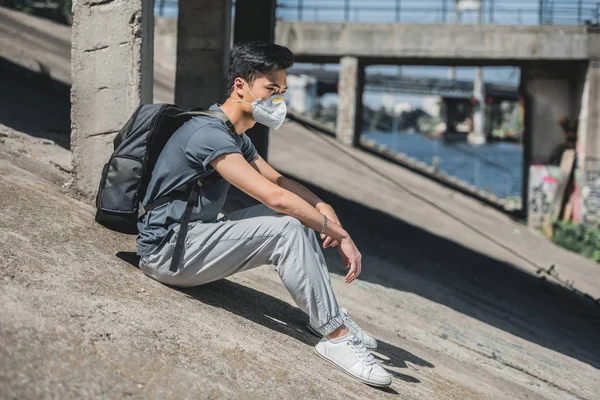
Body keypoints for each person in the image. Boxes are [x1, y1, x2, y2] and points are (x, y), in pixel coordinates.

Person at [136, 41, 392, 387]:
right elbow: (275, 198)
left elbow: (277, 179)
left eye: (282, 91)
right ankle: (336, 336)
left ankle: (326, 318)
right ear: (240, 86)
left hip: (194, 236)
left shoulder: (232, 132)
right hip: (168, 253)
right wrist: (341, 234)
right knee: (287, 224)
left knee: (298, 220)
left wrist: (321, 206)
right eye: (271, 89)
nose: (277, 101)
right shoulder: (209, 134)